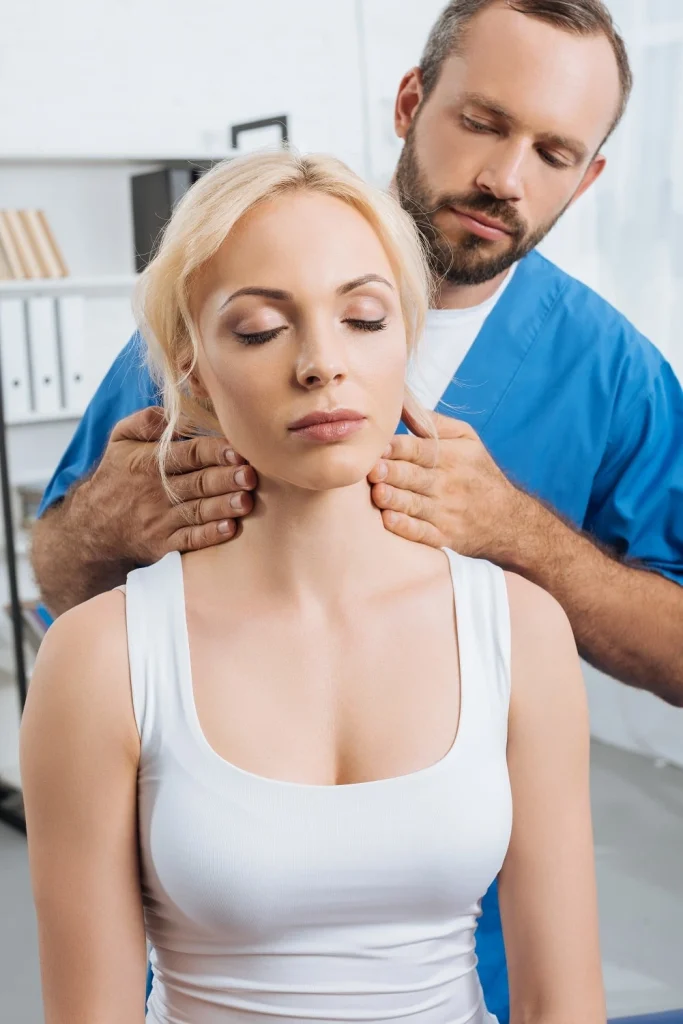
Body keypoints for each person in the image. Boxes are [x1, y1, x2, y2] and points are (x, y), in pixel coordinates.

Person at [28, 0, 683, 1021]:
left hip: (481, 956)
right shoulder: (198, 312)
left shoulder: (612, 377)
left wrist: (519, 537)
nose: (505, 177)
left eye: (553, 151)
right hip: (221, 941)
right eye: (482, 122)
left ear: (588, 175)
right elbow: (65, 587)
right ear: (411, 100)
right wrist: (99, 525)